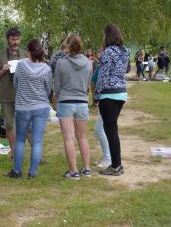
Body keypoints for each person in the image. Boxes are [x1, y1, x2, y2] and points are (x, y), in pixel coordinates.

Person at [6, 40, 52, 179]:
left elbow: (16, 83)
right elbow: (48, 88)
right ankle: (32, 173)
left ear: (29, 51)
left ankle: (17, 171)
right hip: (41, 107)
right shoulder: (46, 69)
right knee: (37, 141)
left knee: (20, 139)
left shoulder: (20, 65)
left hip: (23, 107)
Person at [54, 34, 92, 180]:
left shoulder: (61, 63)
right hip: (82, 102)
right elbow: (88, 83)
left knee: (69, 138)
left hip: (65, 102)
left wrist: (55, 99)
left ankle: (73, 171)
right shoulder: (88, 63)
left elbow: (57, 86)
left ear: (67, 46)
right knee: (82, 137)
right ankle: (87, 169)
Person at [94, 24, 130, 176]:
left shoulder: (108, 52)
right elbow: (126, 70)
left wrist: (96, 96)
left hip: (108, 94)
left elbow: (103, 76)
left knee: (111, 131)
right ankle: (117, 165)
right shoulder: (125, 50)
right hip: (121, 93)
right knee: (113, 130)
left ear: (107, 35)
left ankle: (115, 166)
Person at [0, 28, 29, 157]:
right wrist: (3, 70)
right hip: (6, 96)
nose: (15, 42)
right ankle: (14, 152)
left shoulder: (25, 55)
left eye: (17, 39)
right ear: (7, 39)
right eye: (13, 39)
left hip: (23, 95)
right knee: (9, 125)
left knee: (27, 125)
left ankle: (37, 154)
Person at [91, 46, 111, 168]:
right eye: (98, 51)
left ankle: (108, 158)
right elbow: (93, 81)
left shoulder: (104, 66)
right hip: (103, 99)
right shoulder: (99, 66)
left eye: (100, 50)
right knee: (102, 129)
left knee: (99, 129)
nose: (98, 53)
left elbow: (99, 82)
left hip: (106, 99)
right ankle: (106, 157)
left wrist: (96, 97)